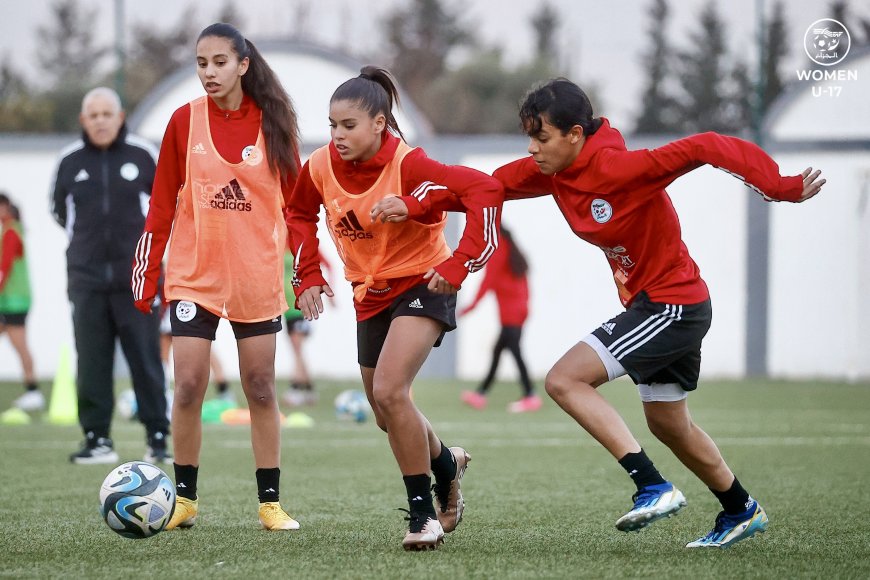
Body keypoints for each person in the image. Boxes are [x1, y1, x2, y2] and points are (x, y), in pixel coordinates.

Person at [490, 78, 825, 549]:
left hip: (674, 304)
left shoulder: (623, 168)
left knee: (564, 380)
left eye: (540, 137)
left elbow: (707, 145)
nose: (532, 148)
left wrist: (778, 186)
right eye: (529, 137)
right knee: (668, 424)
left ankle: (652, 486)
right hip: (665, 304)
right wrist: (416, 199)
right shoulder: (553, 172)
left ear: (575, 135)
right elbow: (487, 185)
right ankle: (740, 510)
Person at [287, 66, 504, 550]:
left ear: (380, 124)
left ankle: (423, 516)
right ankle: (448, 464)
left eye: (349, 125)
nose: (337, 135)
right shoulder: (320, 166)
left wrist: (458, 262)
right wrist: (309, 276)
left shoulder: (412, 164)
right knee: (387, 411)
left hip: (423, 285)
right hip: (370, 295)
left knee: (389, 390)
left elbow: (485, 190)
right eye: (332, 125)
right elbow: (297, 213)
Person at [131, 23, 301, 532]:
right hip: (192, 277)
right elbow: (161, 203)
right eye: (202, 63)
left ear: (243, 64)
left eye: (220, 62)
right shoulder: (184, 121)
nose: (209, 72)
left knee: (261, 387)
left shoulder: (274, 125)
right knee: (186, 385)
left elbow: (298, 209)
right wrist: (146, 274)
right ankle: (184, 500)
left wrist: (310, 272)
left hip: (256, 279)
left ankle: (269, 503)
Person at [50, 87, 170, 465]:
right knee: (92, 361)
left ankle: (158, 437)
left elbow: (165, 209)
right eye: (93, 115)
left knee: (146, 359)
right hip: (86, 281)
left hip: (137, 279)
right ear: (84, 120)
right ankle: (97, 438)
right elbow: (59, 213)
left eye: (107, 113)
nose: (101, 120)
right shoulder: (68, 161)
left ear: (121, 116)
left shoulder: (143, 155)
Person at [459, 225, 541, 413]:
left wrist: (470, 307)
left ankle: (530, 395)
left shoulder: (498, 251)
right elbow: (524, 286)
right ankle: (480, 394)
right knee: (498, 352)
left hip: (511, 314)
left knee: (515, 353)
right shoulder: (512, 250)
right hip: (518, 311)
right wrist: (525, 309)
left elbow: (488, 282)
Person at [0, 194, 41, 411]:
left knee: (20, 345)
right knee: (20, 345)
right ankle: (33, 391)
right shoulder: (12, 231)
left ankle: (33, 391)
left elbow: (3, 268)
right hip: (10, 299)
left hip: (13, 300)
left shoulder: (11, 232)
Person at [279, 244, 330, 408]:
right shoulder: (278, 239)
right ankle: (309, 390)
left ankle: (296, 389)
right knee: (297, 349)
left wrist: (329, 294)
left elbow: (328, 266)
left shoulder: (300, 243)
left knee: (297, 347)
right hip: (285, 308)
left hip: (301, 305)